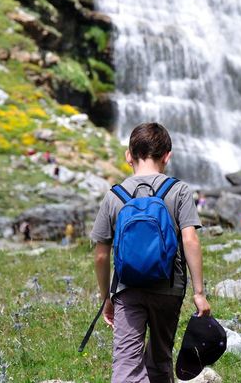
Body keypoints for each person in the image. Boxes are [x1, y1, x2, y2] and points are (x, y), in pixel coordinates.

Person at [91, 122, 210, 383]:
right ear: (168, 156)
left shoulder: (115, 196)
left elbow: (101, 255)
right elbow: (190, 240)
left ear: (128, 155)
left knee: (126, 364)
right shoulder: (178, 190)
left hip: (127, 288)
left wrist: (106, 298)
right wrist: (199, 294)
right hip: (168, 287)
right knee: (159, 359)